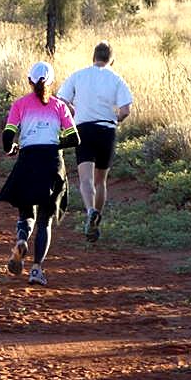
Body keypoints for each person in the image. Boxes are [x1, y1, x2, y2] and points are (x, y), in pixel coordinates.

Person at [0, 61, 79, 287]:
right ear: (52, 82)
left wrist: (11, 148)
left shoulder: (20, 104)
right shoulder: (60, 106)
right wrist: (55, 145)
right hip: (51, 163)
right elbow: (74, 138)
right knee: (45, 220)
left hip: (28, 161)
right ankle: (37, 269)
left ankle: (21, 239)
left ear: (29, 81)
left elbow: (8, 135)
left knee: (26, 213)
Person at [57, 40, 133, 242]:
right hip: (106, 131)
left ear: (93, 57)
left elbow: (61, 100)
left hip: (84, 129)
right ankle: (96, 218)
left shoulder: (78, 75)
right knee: (101, 181)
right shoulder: (116, 79)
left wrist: (73, 112)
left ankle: (90, 211)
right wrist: (116, 119)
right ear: (111, 59)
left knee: (86, 179)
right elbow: (125, 110)